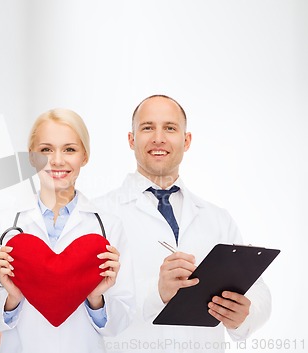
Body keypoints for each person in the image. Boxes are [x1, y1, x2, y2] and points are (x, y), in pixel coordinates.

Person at [95, 95, 271, 353]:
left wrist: (245, 315)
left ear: (186, 141)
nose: (158, 138)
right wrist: (157, 293)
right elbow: (90, 307)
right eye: (147, 128)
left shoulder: (217, 218)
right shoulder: (99, 215)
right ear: (131, 140)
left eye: (169, 128)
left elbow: (259, 291)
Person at [0, 108, 136, 353]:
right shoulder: (2, 225)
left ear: (85, 156)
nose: (57, 160)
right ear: (31, 157)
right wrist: (12, 298)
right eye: (46, 150)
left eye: (69, 149)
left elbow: (121, 321)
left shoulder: (108, 227)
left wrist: (96, 297)